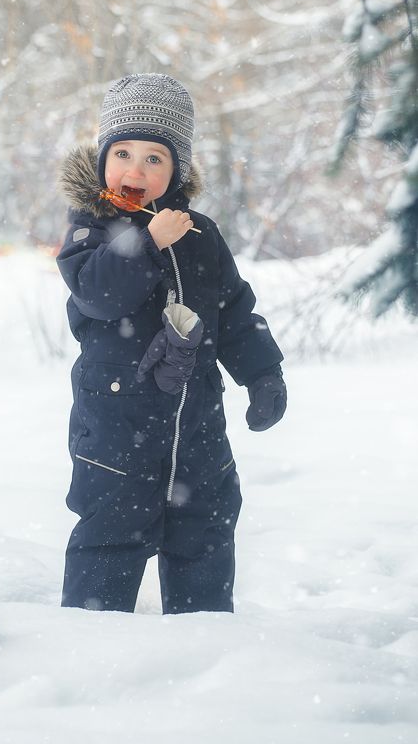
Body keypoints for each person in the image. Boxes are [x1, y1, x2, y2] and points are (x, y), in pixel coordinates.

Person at [56, 72, 286, 614]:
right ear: (102, 158)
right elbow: (98, 295)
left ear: (177, 168)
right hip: (116, 427)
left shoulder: (200, 234)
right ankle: (88, 647)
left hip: (197, 422)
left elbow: (233, 310)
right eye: (124, 153)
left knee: (204, 528)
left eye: (154, 158)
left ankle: (203, 645)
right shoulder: (91, 228)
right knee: (110, 533)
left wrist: (262, 373)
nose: (135, 169)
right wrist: (146, 243)